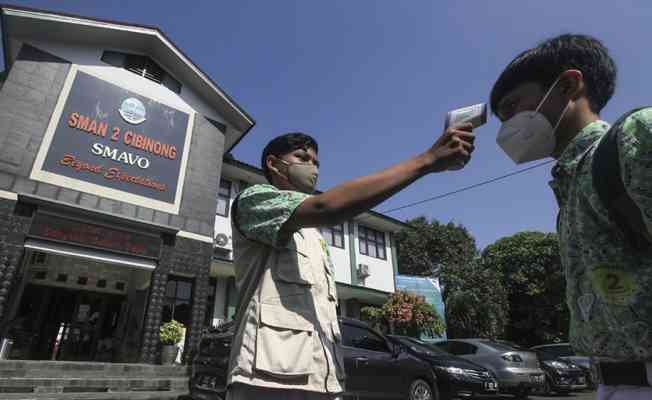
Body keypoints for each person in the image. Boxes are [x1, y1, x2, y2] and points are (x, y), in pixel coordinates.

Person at [226, 127, 475, 400]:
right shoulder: (255, 200)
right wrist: (426, 160)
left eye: (317, 163)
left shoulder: (313, 235)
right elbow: (325, 207)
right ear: (274, 164)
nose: (313, 168)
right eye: (302, 158)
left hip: (321, 381)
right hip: (268, 380)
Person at [490, 34, 652, 399]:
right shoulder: (570, 184)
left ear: (568, 85)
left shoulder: (635, 137)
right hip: (611, 383)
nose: (507, 129)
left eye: (513, 107)